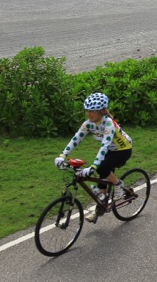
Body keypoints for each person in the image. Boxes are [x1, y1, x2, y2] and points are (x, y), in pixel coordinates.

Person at [54, 92, 133, 223]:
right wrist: (62, 155)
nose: (89, 114)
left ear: (101, 112)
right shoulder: (88, 124)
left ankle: (118, 185)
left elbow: (104, 146)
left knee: (102, 168)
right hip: (110, 150)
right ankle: (99, 209)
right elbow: (75, 139)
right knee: (101, 178)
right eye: (87, 111)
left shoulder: (108, 124)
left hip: (123, 150)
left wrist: (93, 166)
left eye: (93, 111)